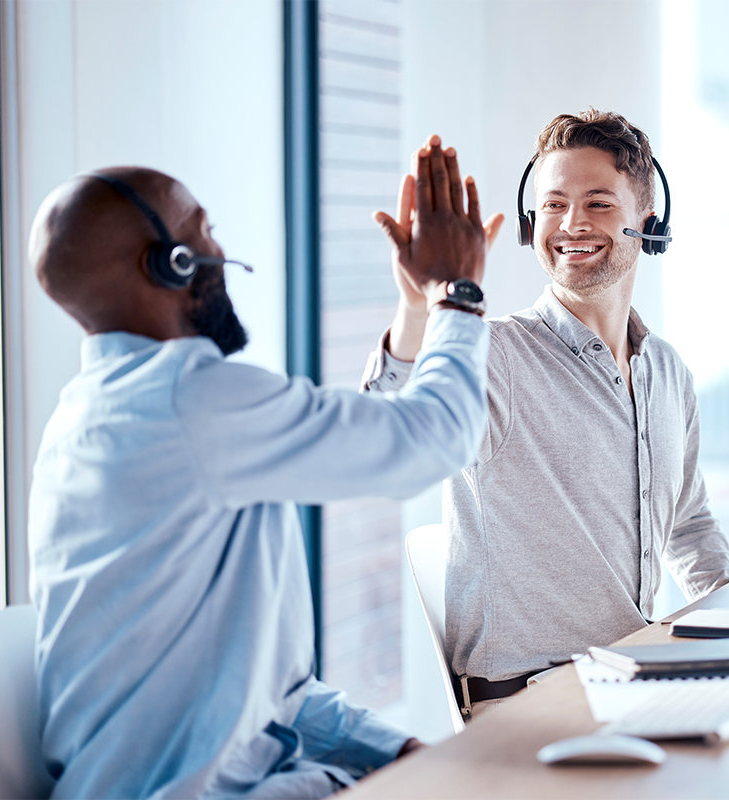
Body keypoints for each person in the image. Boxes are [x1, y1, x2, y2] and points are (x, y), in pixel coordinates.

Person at [27, 137, 501, 798]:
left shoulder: (100, 417)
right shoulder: (190, 403)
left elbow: (273, 693)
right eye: (204, 232)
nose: (220, 251)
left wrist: (395, 749)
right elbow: (432, 440)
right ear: (169, 262)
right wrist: (459, 293)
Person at [363, 110, 729, 717]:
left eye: (597, 203)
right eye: (554, 204)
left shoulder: (667, 372)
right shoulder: (494, 355)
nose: (571, 224)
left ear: (648, 220)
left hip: (638, 689)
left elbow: (690, 529)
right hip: (532, 709)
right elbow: (383, 433)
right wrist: (415, 310)